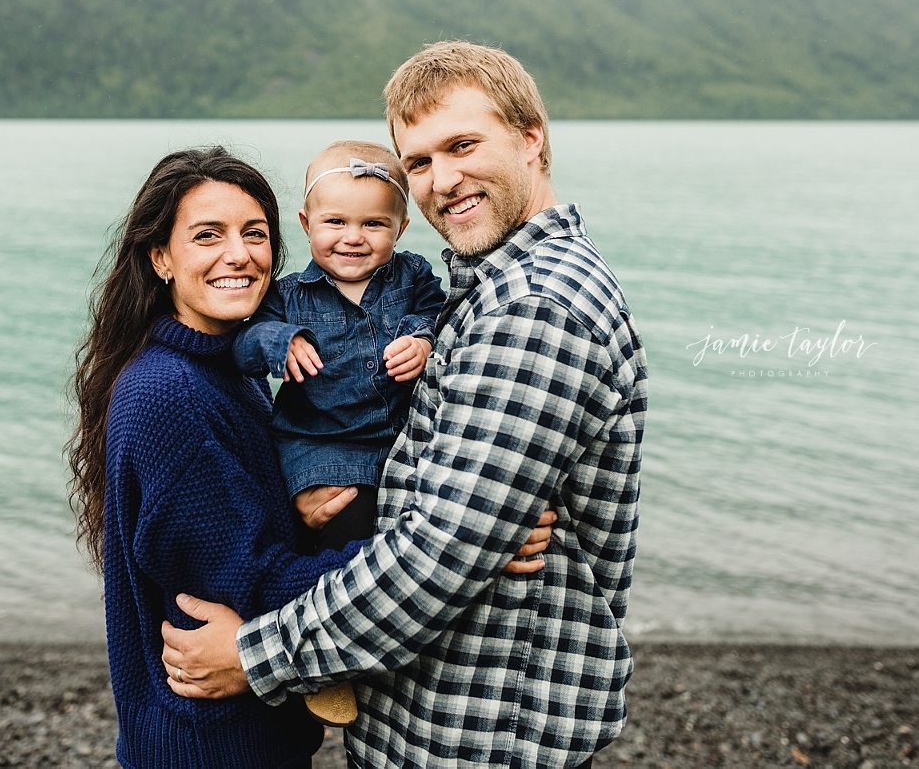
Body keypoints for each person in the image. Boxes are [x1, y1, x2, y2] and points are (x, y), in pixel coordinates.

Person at [162, 43, 649, 769]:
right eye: (418, 162)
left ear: (531, 138)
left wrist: (254, 656)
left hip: (480, 725)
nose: (442, 180)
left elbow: (439, 559)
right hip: (442, 706)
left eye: (462, 145)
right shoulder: (484, 288)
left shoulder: (536, 310)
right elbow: (452, 515)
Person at [68, 145, 556, 769]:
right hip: (208, 745)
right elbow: (248, 581)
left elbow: (233, 528)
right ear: (160, 257)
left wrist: (307, 513)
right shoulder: (170, 394)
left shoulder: (225, 371)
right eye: (207, 235)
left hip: (245, 734)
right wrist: (463, 544)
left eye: (254, 233)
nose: (239, 254)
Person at [231, 140, 446, 724]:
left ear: (400, 227)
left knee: (402, 540)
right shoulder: (289, 296)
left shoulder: (413, 276)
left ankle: (387, 648)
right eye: (335, 222)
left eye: (373, 223)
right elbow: (244, 345)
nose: (353, 237)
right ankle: (326, 667)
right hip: (318, 446)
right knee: (338, 541)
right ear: (305, 225)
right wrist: (282, 342)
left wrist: (423, 341)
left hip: (394, 441)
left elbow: (439, 313)